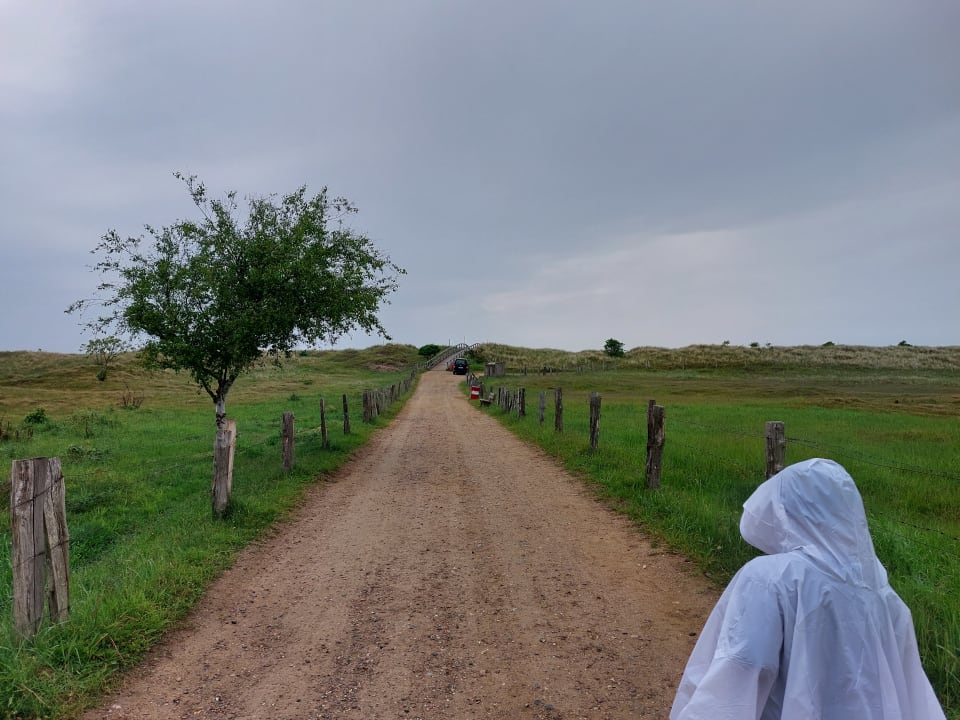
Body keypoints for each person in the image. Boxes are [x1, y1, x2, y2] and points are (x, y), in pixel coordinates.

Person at [670, 457, 946, 719]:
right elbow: (911, 690)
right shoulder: (886, 598)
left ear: (789, 511)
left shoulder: (772, 579)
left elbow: (739, 674)